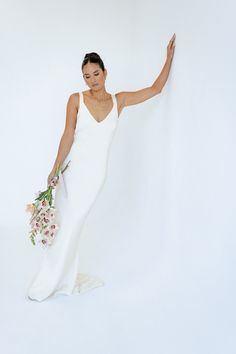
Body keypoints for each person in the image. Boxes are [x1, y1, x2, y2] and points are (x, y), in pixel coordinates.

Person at [27, 33, 176, 302]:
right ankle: (54, 279)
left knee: (75, 224)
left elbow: (155, 89)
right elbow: (67, 135)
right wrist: (55, 168)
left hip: (94, 176)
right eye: (86, 76)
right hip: (72, 172)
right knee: (66, 224)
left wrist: (168, 58)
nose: (92, 80)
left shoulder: (120, 101)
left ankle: (61, 278)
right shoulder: (75, 99)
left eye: (96, 73)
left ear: (105, 73)